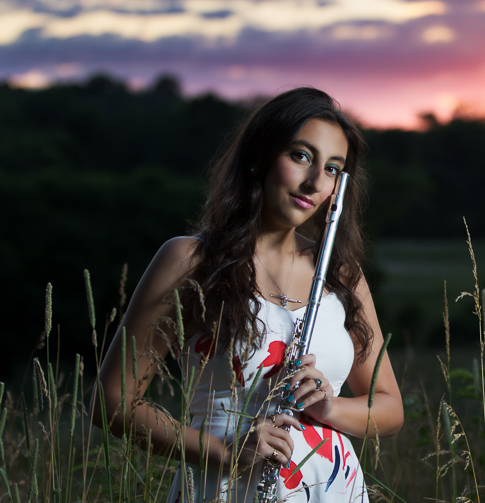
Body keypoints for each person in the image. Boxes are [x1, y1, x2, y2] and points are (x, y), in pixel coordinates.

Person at [92, 87, 404, 502]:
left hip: (331, 487)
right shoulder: (190, 260)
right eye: (301, 156)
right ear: (259, 155)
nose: (315, 182)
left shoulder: (340, 273)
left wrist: (330, 407)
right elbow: (111, 402)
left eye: (332, 169)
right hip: (223, 485)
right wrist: (226, 453)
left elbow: (389, 407)